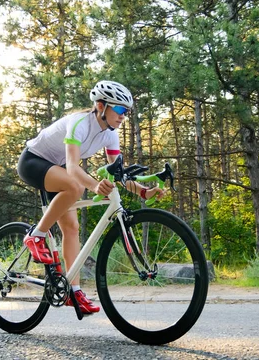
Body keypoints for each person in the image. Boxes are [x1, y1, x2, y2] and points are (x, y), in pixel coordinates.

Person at [17, 80, 165, 314]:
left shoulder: (110, 135)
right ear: (100, 105)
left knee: (72, 228)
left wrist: (143, 191)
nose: (122, 116)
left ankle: (73, 291)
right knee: (75, 187)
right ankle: (35, 236)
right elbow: (74, 169)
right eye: (118, 110)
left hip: (57, 168)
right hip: (33, 161)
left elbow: (119, 175)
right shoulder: (79, 124)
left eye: (125, 112)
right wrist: (95, 186)